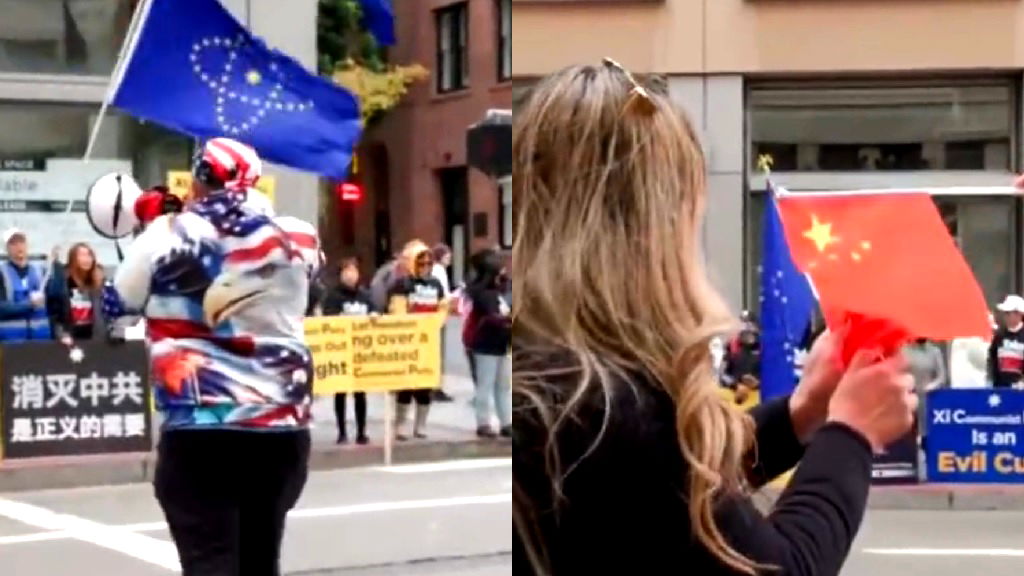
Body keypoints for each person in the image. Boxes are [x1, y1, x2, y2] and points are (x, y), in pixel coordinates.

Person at [512, 60, 916, 575]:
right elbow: (780, 566)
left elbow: (673, 497)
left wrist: (799, 415)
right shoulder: (607, 409)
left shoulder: (556, 382)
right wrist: (852, 434)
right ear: (655, 227)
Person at [103, 137, 320, 575]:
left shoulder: (167, 234)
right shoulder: (299, 236)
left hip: (202, 424)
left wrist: (154, 224)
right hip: (281, 426)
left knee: (209, 561)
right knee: (260, 559)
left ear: (198, 179)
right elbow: (308, 284)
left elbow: (117, 300)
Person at [387, 240, 448, 440]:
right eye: (421, 264)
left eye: (429, 264)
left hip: (429, 341)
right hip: (408, 342)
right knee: (405, 386)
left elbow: (443, 308)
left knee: (425, 385)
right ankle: (400, 425)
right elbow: (397, 312)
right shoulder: (401, 285)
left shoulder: (436, 284)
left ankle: (420, 425)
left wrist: (434, 324)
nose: (425, 268)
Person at [322, 257, 374, 445]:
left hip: (360, 350)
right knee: (341, 392)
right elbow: (328, 320)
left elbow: (373, 312)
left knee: (360, 393)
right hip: (341, 350)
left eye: (354, 271)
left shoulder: (364, 295)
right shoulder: (334, 296)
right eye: (347, 271)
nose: (351, 275)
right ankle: (342, 431)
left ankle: (361, 431)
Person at [466, 250, 511, 438]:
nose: (505, 272)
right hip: (485, 345)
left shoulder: (500, 292)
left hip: (503, 344)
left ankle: (506, 422)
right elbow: (492, 317)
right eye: (501, 269)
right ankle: (483, 422)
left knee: (503, 386)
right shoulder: (483, 294)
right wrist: (508, 321)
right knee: (485, 384)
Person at [0, 228, 64, 343]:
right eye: (13, 243)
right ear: (6, 248)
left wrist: (56, 266)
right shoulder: (1, 273)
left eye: (22, 242)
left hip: (41, 340)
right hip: (10, 342)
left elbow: (56, 301)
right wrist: (29, 304)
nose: (19, 246)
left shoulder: (41, 271)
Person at [902, 338, 946, 453]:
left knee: (927, 435)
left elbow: (942, 376)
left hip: (928, 399)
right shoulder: (904, 351)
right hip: (908, 397)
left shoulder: (934, 352)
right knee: (909, 432)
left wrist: (932, 386)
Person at [58, 242, 106, 341]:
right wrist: (61, 334)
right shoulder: (63, 283)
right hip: (70, 338)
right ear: (73, 259)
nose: (87, 259)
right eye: (82, 255)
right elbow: (55, 315)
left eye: (89, 255)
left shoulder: (99, 283)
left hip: (94, 338)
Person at [988, 295, 1024, 389]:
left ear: (1019, 314)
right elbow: (992, 357)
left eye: (1008, 313)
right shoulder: (1000, 335)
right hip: (1000, 387)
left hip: (1020, 389)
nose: (1006, 317)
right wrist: (992, 379)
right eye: (1005, 313)